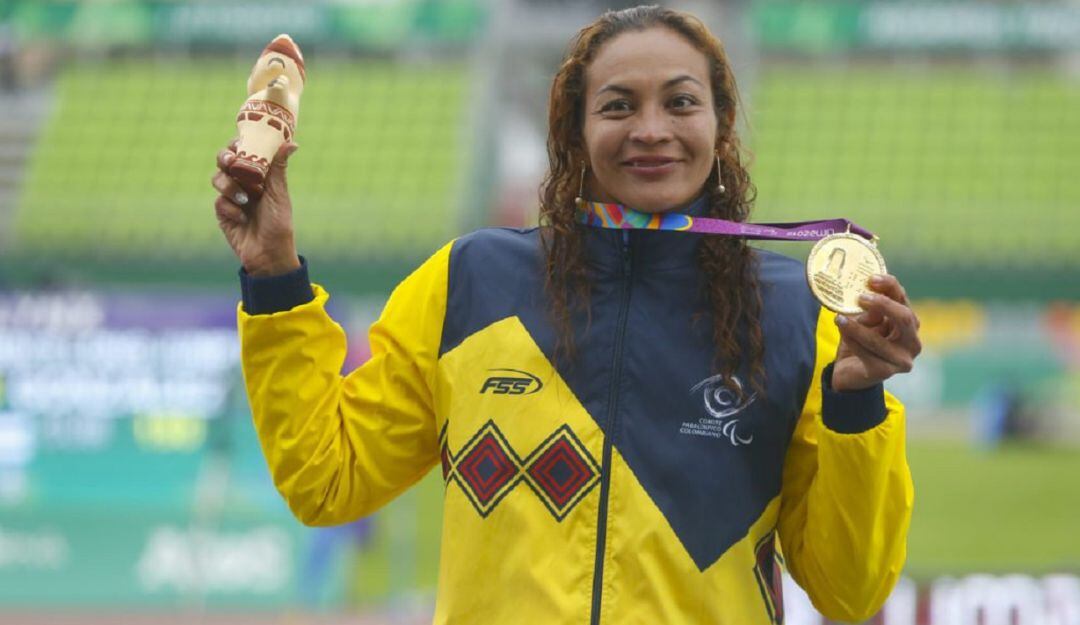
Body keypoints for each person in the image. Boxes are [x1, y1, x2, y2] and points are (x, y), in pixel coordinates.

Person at [211, 6, 920, 624]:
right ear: (574, 130)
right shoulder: (470, 283)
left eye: (680, 102)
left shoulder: (795, 312)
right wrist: (273, 276)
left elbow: (849, 589)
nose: (651, 129)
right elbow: (326, 478)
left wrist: (857, 402)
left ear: (721, 123)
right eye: (618, 106)